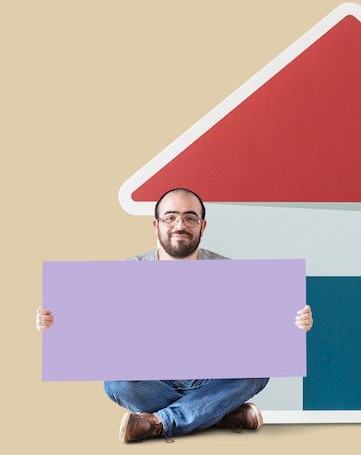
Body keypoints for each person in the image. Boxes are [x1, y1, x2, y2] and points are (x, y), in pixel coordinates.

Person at [36, 187, 313, 443]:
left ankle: (160, 421)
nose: (180, 225)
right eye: (170, 218)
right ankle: (216, 412)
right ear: (156, 225)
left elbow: (262, 330)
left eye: (190, 218)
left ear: (202, 226)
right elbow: (92, 328)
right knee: (116, 382)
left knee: (258, 369)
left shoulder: (229, 271)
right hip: (151, 381)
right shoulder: (125, 272)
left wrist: (294, 322)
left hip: (211, 376)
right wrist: (57, 323)